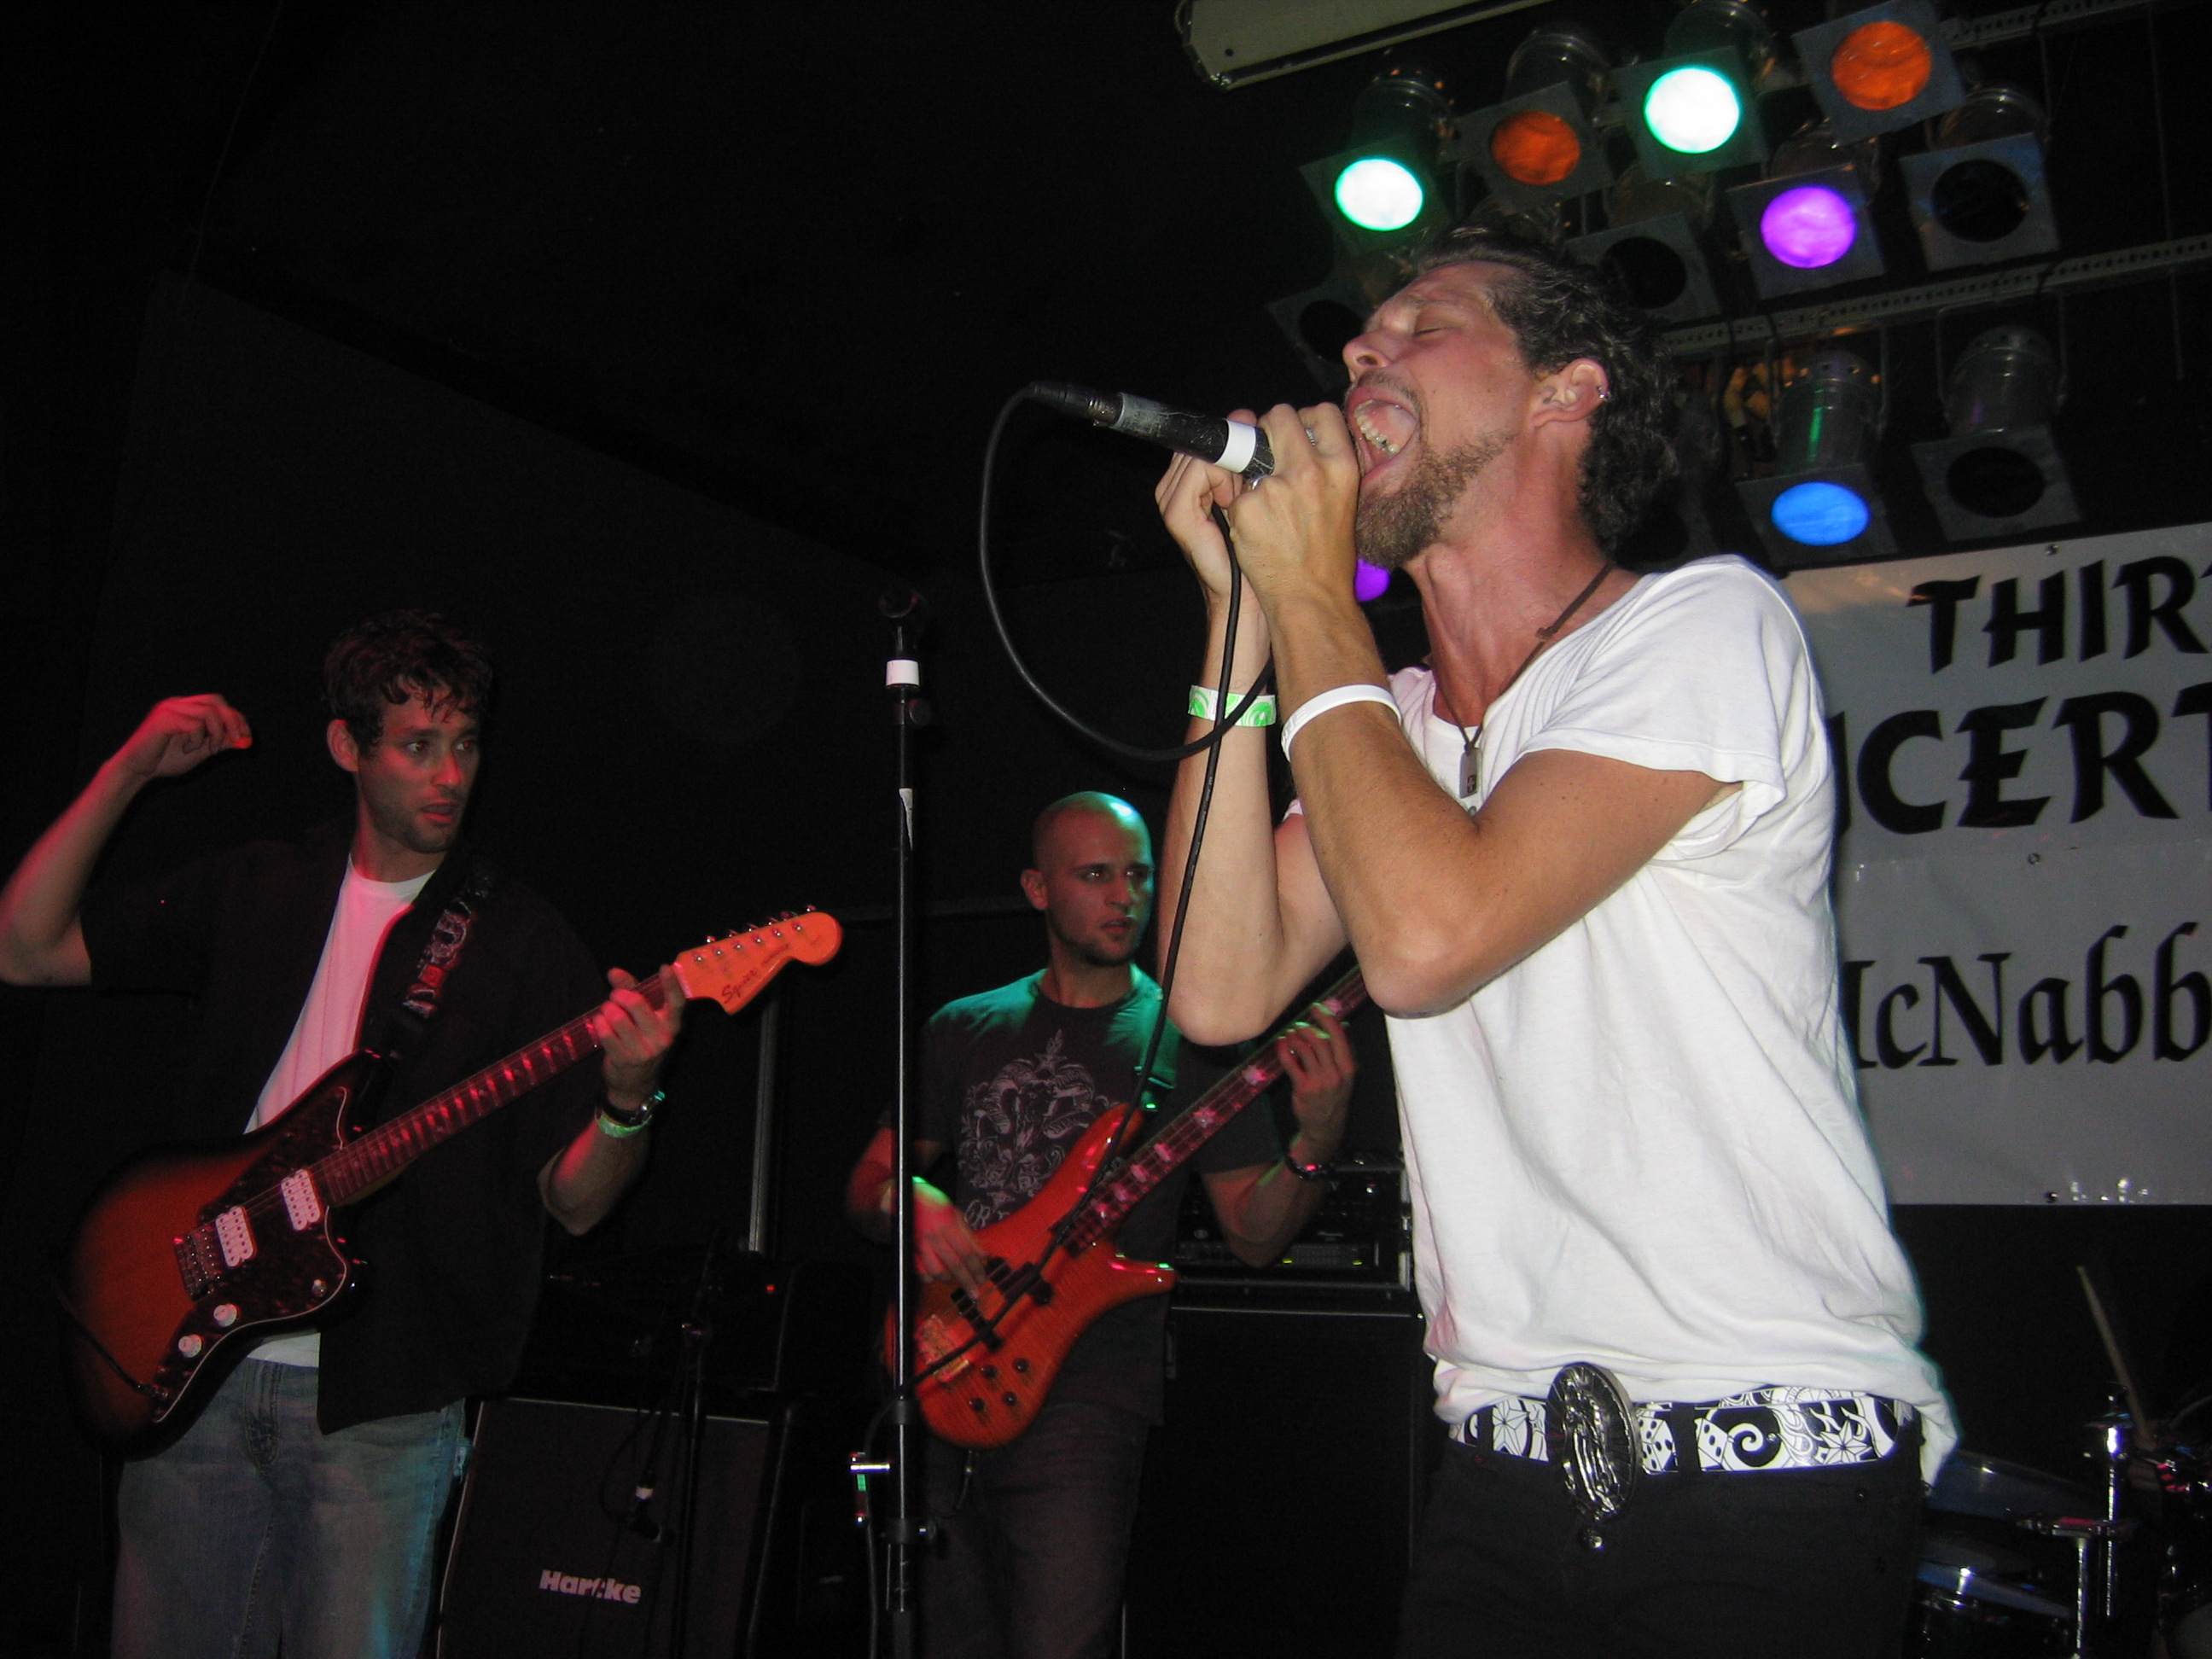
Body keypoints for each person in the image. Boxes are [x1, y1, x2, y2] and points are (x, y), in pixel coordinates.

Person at [1150, 233, 1953, 1658]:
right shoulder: (1386, 723)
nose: (1362, 351)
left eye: (1425, 325)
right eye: (1363, 335)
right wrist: (1235, 623)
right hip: (1505, 1465)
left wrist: (1315, 600)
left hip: (1761, 1456)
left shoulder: (1703, 623)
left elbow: (1428, 937)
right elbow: (1214, 989)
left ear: (1562, 391)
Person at [0, 611, 682, 1659]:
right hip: (191, 1368)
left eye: (465, 745)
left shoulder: (523, 943)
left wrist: (629, 1099)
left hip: (380, 1406)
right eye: (417, 745)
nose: (449, 775)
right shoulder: (260, 886)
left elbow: (578, 1201)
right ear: (345, 747)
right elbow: (24, 946)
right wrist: (127, 771)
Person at [844, 790, 1354, 1659]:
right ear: (1037, 889)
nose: (1125, 896)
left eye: (1139, 875)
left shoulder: (1196, 1036)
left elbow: (1255, 1235)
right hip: (940, 1363)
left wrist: (1317, 1140)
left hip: (1088, 1396)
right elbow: (865, 1188)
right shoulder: (964, 1028)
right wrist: (910, 1200)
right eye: (1095, 875)